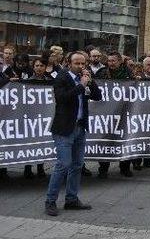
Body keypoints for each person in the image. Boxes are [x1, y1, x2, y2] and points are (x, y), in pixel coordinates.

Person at [45, 52, 102, 216]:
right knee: (63, 164)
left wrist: (90, 81)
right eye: (77, 63)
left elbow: (97, 96)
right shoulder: (62, 77)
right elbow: (62, 98)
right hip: (64, 129)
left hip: (80, 127)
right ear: (69, 63)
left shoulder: (84, 78)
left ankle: (71, 199)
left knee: (77, 164)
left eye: (83, 63)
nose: (80, 66)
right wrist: (81, 86)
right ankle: (50, 201)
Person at [96, 51, 134, 178]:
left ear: (120, 61)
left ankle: (125, 167)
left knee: (125, 138)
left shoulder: (128, 73)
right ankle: (103, 168)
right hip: (106, 111)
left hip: (124, 110)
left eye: (113, 61)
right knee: (106, 138)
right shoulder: (101, 73)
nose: (111, 63)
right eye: (109, 61)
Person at [24, 57, 50, 179]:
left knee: (42, 142)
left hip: (44, 115)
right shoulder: (27, 82)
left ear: (45, 67)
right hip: (30, 116)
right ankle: (27, 168)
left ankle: (40, 168)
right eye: (37, 66)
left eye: (41, 66)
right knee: (29, 143)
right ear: (33, 67)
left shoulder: (50, 81)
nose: (39, 68)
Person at [131, 57, 150, 170]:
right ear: (143, 66)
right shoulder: (138, 79)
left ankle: (148, 160)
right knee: (139, 137)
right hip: (140, 112)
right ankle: (137, 161)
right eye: (148, 65)